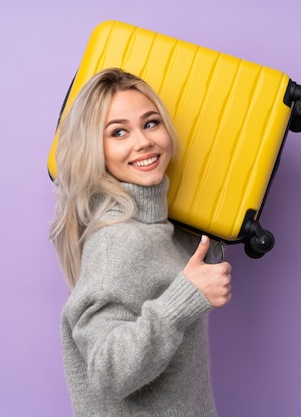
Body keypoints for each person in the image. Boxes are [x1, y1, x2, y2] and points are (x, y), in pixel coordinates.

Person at [49, 68, 233, 417]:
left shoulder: (163, 229)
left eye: (150, 123)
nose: (143, 141)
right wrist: (185, 298)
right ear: (95, 149)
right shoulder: (116, 242)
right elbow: (108, 371)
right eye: (118, 132)